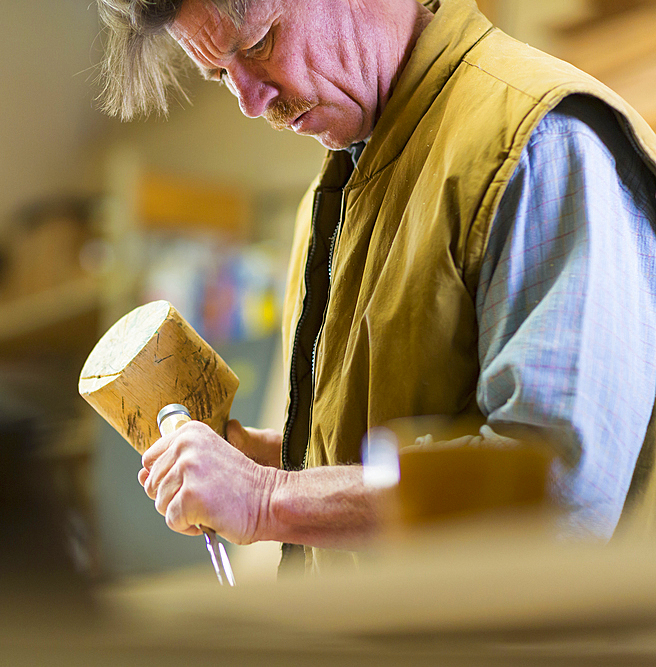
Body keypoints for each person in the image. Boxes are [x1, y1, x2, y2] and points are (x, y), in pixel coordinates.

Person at [96, 0, 656, 571]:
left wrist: (269, 499)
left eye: (260, 43)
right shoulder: (335, 196)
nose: (249, 100)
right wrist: (275, 462)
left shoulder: (538, 144)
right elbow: (403, 436)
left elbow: (557, 495)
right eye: (219, 73)